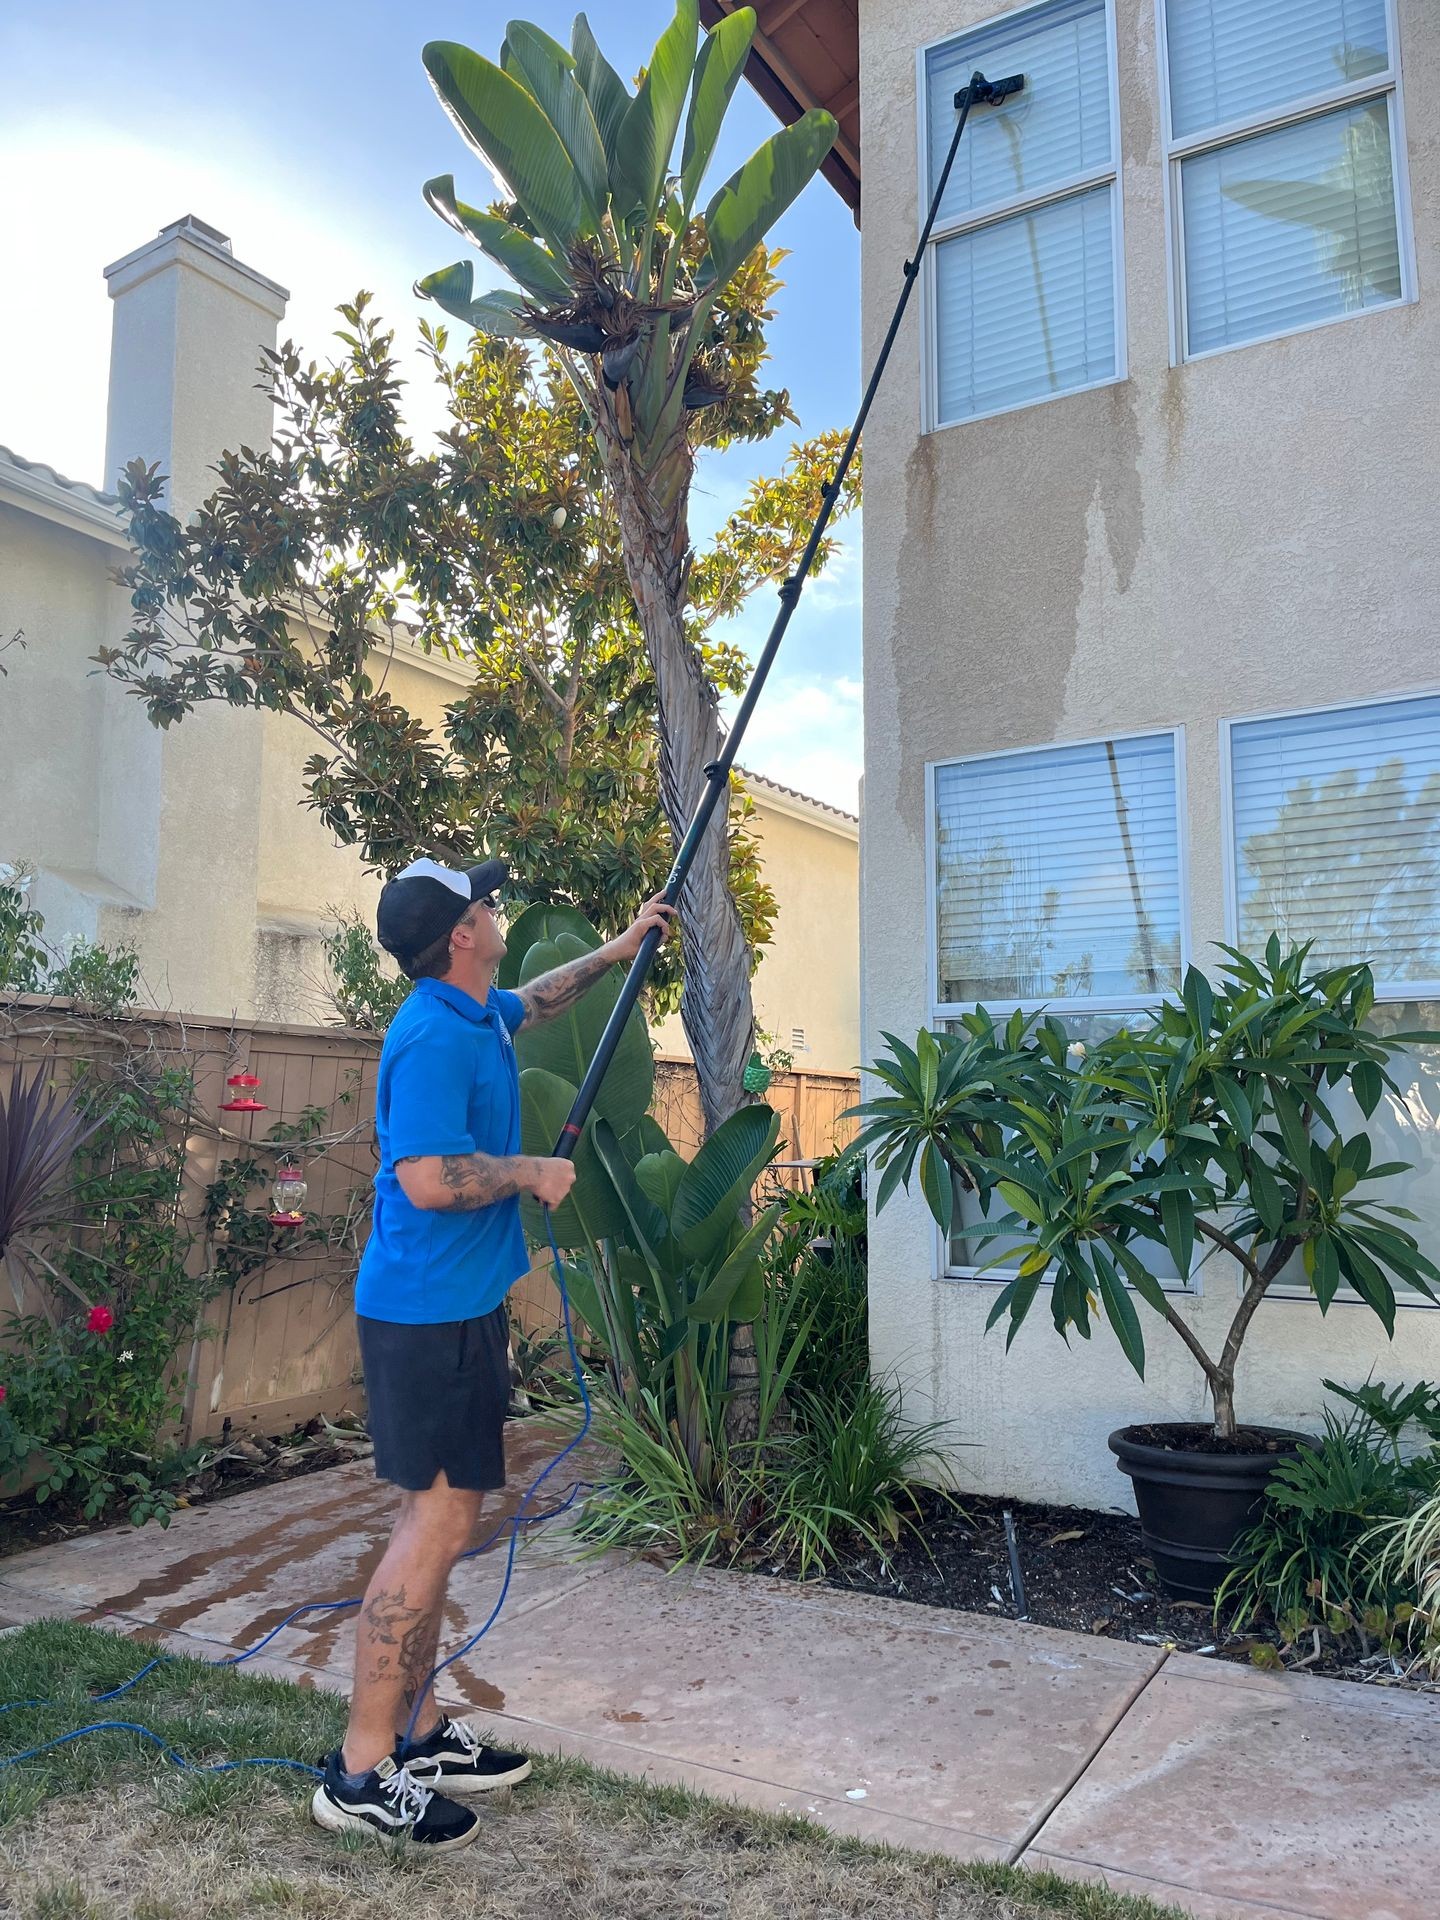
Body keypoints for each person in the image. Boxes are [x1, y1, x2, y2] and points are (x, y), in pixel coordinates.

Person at [311, 856, 675, 1849]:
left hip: (455, 1310)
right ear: (462, 936)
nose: (498, 905)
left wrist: (623, 943)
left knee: (446, 1518)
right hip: (426, 1317)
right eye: (485, 901)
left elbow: (541, 999)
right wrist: (529, 1171)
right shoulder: (430, 1034)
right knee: (429, 1527)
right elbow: (427, 1178)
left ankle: (419, 1730)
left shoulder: (475, 1009)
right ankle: (358, 1769)